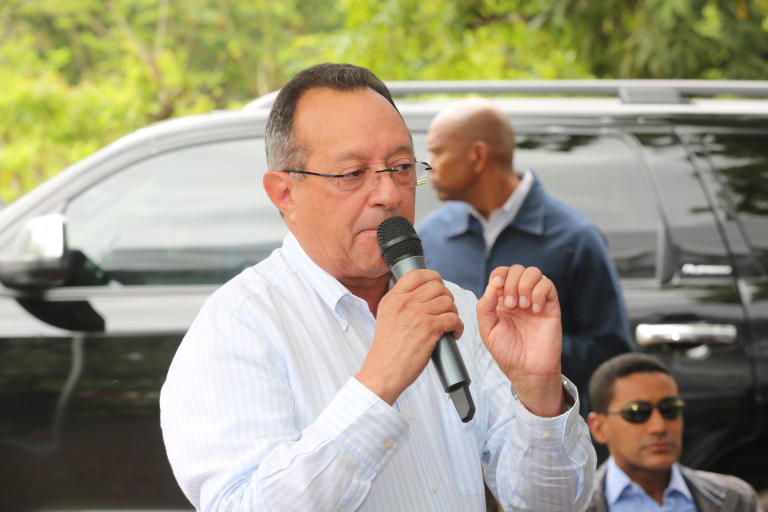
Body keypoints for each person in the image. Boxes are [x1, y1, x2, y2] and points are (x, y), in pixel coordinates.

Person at [160, 63, 596, 512]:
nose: (389, 193)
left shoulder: (458, 308)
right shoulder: (238, 327)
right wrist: (379, 382)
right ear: (285, 194)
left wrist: (538, 394)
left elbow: (553, 504)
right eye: (353, 173)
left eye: (401, 167)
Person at [417, 98, 631, 414]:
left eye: (437, 152)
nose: (428, 164)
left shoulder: (576, 237)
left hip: (541, 429)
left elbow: (611, 353)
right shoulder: (430, 234)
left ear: (477, 156)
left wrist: (527, 346)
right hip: (457, 427)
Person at [585, 352, 759, 511]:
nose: (659, 426)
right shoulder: (576, 507)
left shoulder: (736, 499)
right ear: (598, 427)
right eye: (637, 412)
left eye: (670, 409)